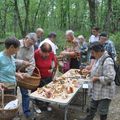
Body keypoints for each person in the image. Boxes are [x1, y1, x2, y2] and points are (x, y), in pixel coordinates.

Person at [81, 42, 116, 120]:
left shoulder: (107, 61)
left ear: (99, 51)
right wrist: (89, 72)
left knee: (103, 110)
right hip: (97, 88)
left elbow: (110, 77)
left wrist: (97, 78)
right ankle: (88, 118)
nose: (92, 55)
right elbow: (98, 70)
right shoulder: (99, 58)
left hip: (105, 90)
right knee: (93, 106)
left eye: (93, 53)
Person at [16, 33, 37, 119]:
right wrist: (22, 62)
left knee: (25, 93)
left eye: (32, 44)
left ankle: (26, 111)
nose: (30, 46)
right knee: (13, 93)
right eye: (30, 43)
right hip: (12, 70)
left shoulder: (31, 47)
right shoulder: (16, 44)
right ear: (26, 38)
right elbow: (9, 59)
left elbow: (32, 62)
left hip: (23, 72)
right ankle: (14, 111)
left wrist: (28, 74)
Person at [34, 42, 57, 111]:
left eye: (48, 53)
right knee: (38, 92)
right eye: (45, 53)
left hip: (48, 76)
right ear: (41, 50)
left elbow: (54, 61)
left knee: (48, 90)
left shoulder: (51, 53)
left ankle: (47, 104)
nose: (47, 55)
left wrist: (52, 68)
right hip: (38, 77)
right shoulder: (36, 54)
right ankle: (37, 105)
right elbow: (32, 65)